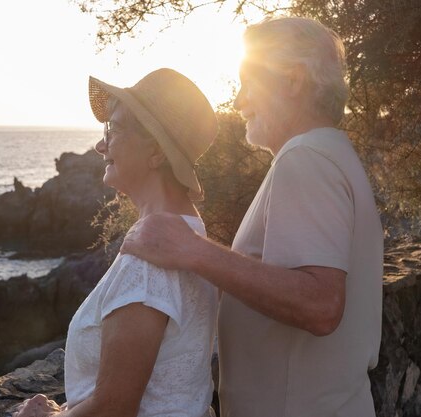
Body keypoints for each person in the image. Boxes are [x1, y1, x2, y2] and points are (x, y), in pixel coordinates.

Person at [121, 17, 384, 417]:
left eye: (249, 82)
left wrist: (193, 251)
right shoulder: (332, 155)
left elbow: (321, 304)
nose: (240, 101)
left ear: (293, 80)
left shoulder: (306, 158)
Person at [14, 68, 219, 417]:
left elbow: (114, 409)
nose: (100, 144)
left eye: (114, 128)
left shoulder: (151, 262)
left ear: (156, 152)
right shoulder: (189, 233)